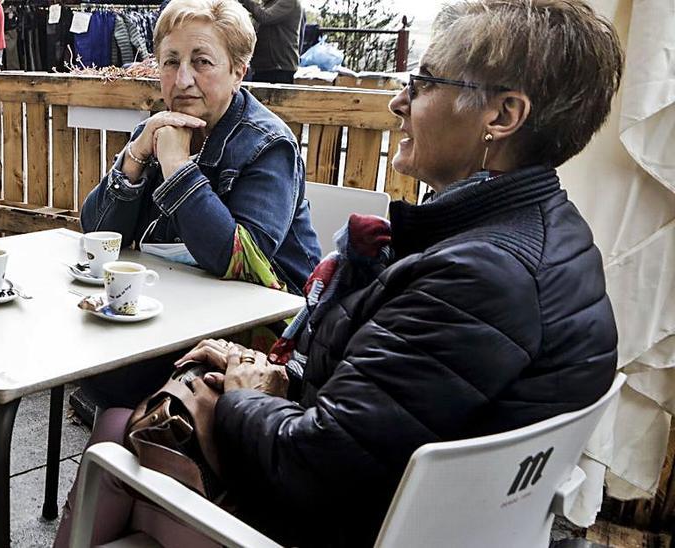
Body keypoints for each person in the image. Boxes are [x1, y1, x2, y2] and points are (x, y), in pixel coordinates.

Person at [58, 0, 624, 546]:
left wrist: (244, 395)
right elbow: (386, 397)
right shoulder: (551, 231)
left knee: (118, 434)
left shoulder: (481, 278)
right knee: (128, 416)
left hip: (345, 524)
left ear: (502, 117)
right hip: (422, 506)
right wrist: (274, 376)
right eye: (170, 60)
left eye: (423, 83)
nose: (399, 102)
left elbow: (315, 463)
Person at [76, 0, 321, 410]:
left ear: (238, 71)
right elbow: (97, 233)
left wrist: (176, 167)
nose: (183, 78)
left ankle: (129, 447)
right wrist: (137, 153)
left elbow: (241, 262)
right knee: (93, 356)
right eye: (170, 62)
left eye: (202, 61)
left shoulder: (268, 144)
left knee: (117, 378)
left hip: (264, 333)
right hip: (177, 310)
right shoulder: (157, 129)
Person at [242, 0, 301, 84]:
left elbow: (265, 17)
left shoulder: (289, 2)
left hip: (279, 69)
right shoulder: (266, 4)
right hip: (262, 68)